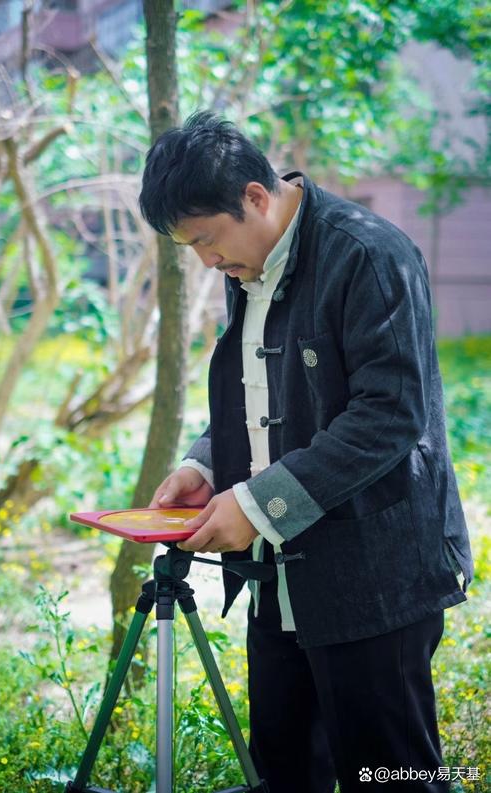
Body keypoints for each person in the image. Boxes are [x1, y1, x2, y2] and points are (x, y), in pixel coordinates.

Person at [139, 111, 474, 793]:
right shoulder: (249, 262)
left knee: (393, 776)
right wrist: (207, 464)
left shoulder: (370, 254)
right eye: (190, 247)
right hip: (279, 574)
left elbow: (389, 415)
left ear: (255, 197)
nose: (206, 261)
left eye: (206, 239)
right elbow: (267, 394)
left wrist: (257, 504)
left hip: (375, 575)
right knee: (287, 772)